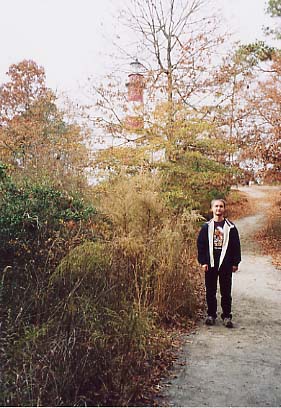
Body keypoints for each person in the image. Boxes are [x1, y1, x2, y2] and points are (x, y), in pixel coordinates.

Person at [197, 199, 241, 328]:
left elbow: (236, 245)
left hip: (225, 264)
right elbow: (201, 245)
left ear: (224, 209)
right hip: (210, 263)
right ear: (212, 209)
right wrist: (202, 261)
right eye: (216, 206)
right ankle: (211, 315)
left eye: (221, 206)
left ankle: (227, 316)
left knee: (226, 291)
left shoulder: (230, 227)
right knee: (210, 291)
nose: (218, 209)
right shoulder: (207, 227)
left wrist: (235, 262)